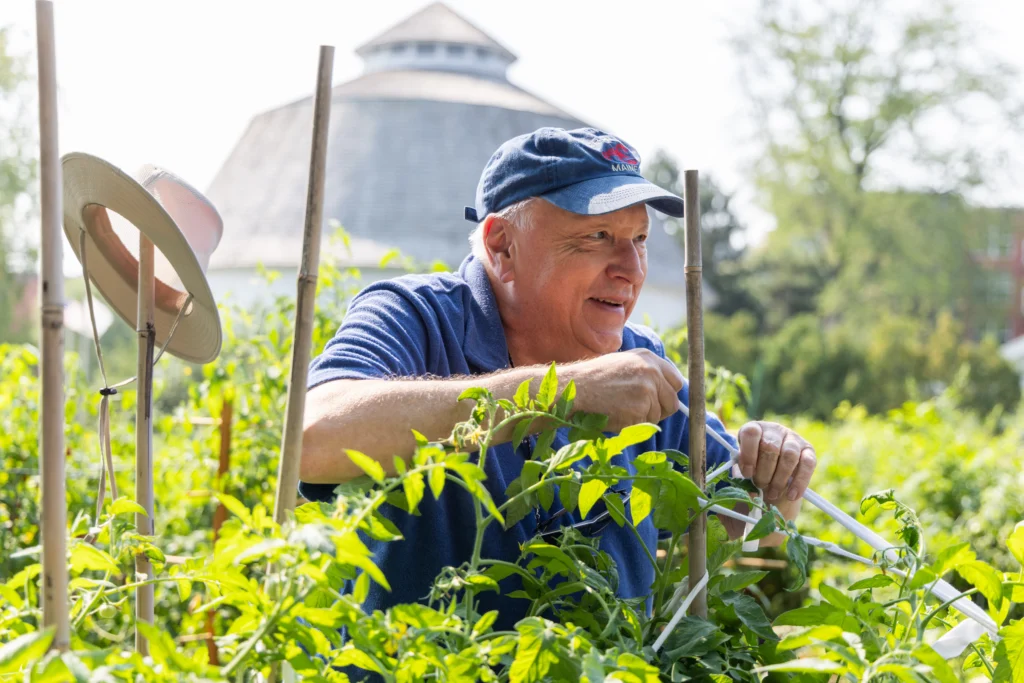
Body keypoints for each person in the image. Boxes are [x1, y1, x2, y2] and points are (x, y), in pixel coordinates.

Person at [298, 127, 817, 632]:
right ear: (502, 247)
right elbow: (310, 438)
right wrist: (561, 394)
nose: (632, 269)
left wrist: (777, 471)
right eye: (598, 237)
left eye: (639, 239)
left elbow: (747, 528)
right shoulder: (417, 318)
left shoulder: (639, 359)